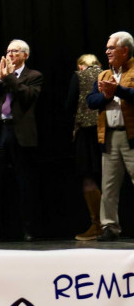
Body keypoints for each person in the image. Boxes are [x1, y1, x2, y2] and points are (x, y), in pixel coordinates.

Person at [0, 39, 43, 243]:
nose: (10, 55)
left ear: (25, 55)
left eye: (15, 51)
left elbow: (28, 97)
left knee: (24, 183)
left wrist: (9, 78)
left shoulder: (34, 76)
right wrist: (0, 79)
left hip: (20, 134)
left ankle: (28, 229)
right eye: (8, 51)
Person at [87, 31, 134, 242]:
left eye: (111, 48)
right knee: (108, 186)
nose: (107, 51)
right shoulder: (103, 75)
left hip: (131, 136)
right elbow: (91, 101)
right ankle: (109, 227)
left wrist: (118, 90)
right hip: (109, 136)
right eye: (107, 48)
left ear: (125, 50)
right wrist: (106, 95)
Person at [65, 55, 103, 241]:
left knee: (88, 177)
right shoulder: (107, 74)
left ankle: (97, 224)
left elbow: (70, 104)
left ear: (81, 65)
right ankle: (111, 223)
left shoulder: (79, 76)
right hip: (106, 130)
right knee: (109, 179)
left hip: (86, 133)